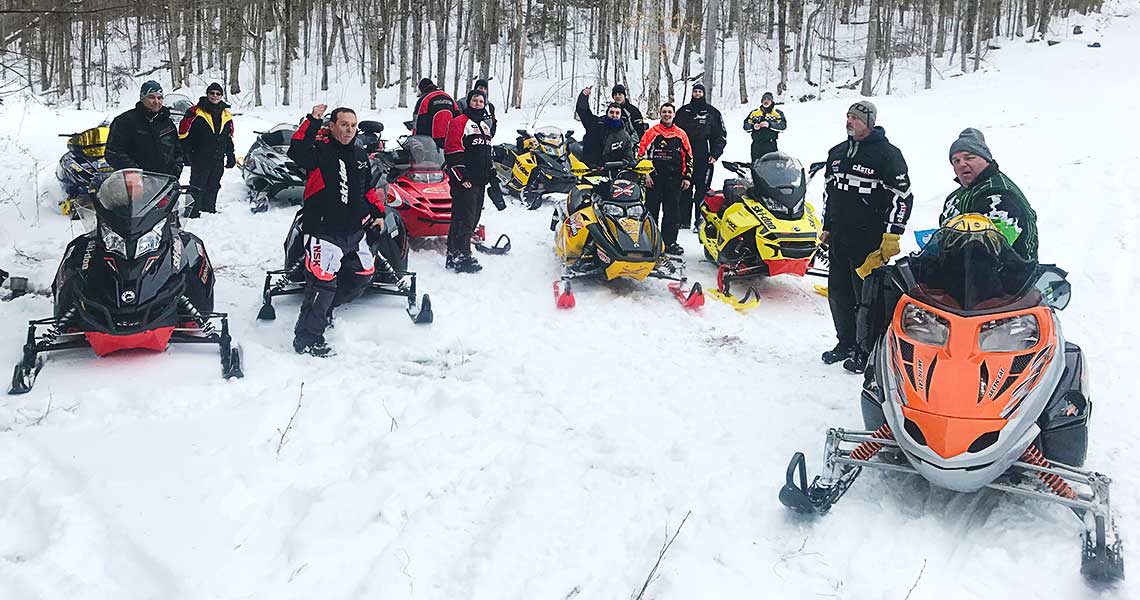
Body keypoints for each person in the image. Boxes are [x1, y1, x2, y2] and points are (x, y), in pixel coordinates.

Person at [287, 104, 387, 357]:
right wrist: (312, 120)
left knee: (363, 274)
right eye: (344, 125)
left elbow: (367, 188)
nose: (349, 130)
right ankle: (307, 338)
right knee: (322, 284)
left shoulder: (360, 154)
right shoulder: (319, 151)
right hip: (323, 228)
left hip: (353, 230)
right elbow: (296, 150)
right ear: (332, 127)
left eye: (353, 126)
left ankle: (324, 309)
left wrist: (378, 213)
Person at [820, 100, 913, 367]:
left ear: (869, 122)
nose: (849, 121)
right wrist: (827, 226)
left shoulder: (887, 154)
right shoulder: (836, 153)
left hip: (869, 239)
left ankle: (867, 350)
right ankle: (845, 342)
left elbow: (902, 197)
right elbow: (830, 194)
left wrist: (893, 234)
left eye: (856, 118)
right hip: (839, 237)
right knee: (838, 293)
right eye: (847, 116)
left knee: (867, 298)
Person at [940, 128, 1038, 261]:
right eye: (956, 161)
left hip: (1009, 274)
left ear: (986, 160)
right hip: (963, 271)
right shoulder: (955, 198)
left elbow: (990, 247)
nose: (962, 164)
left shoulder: (1000, 194)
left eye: (969, 157)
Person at [444, 89, 495, 273]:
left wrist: (491, 173)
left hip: (480, 181)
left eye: (481, 101)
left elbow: (487, 154)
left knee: (473, 218)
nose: (478, 104)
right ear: (468, 102)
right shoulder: (460, 122)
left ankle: (454, 253)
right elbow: (452, 150)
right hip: (465, 181)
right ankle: (461, 255)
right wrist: (462, 176)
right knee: (463, 219)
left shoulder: (485, 126)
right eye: (475, 100)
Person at [638, 102, 693, 256]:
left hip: (674, 179)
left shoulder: (681, 134)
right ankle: (649, 241)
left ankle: (670, 243)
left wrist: (687, 177)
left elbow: (688, 157)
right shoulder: (652, 132)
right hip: (654, 179)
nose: (667, 114)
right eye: (664, 112)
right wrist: (645, 174)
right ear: (660, 113)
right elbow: (641, 154)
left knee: (672, 212)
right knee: (651, 210)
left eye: (669, 112)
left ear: (674, 115)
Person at [106, 80, 185, 178]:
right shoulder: (125, 121)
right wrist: (135, 171)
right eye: (151, 97)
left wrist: (177, 168)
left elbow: (177, 149)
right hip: (136, 182)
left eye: (159, 98)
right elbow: (113, 153)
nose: (156, 101)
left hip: (166, 181)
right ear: (142, 98)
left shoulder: (166, 122)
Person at [177, 82, 235, 215]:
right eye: (212, 93)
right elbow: (183, 134)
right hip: (199, 157)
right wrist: (185, 154)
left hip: (218, 157)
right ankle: (192, 211)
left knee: (214, 184)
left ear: (221, 96)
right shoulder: (195, 111)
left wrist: (230, 154)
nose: (215, 96)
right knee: (197, 185)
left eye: (218, 94)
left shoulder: (226, 114)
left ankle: (209, 210)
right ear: (207, 94)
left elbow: (228, 137)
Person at [675, 83, 727, 230]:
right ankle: (683, 220)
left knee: (702, 190)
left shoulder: (712, 113)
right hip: (685, 157)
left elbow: (720, 136)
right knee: (684, 188)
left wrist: (715, 154)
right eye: (695, 91)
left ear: (703, 93)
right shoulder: (683, 111)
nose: (697, 94)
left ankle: (700, 220)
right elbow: (674, 133)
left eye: (700, 91)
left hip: (704, 156)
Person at [575, 87, 638, 169]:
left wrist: (624, 163)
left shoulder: (624, 136)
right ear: (607, 113)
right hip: (591, 169)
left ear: (620, 115)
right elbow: (583, 112)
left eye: (617, 113)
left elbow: (629, 158)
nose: (614, 115)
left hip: (613, 172)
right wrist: (583, 96)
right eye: (611, 112)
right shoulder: (595, 124)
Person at [412, 78, 457, 149]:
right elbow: (458, 117)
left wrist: (416, 140)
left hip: (430, 143)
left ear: (421, 89)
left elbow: (417, 122)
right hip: (449, 141)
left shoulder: (424, 99)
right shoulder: (448, 97)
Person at [743, 92, 787, 162]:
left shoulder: (777, 113)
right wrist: (753, 126)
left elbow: (783, 126)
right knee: (756, 167)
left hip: (770, 144)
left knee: (771, 166)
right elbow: (745, 125)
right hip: (756, 145)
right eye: (764, 99)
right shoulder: (754, 113)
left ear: (772, 101)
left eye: (768, 99)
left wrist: (769, 125)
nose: (766, 101)